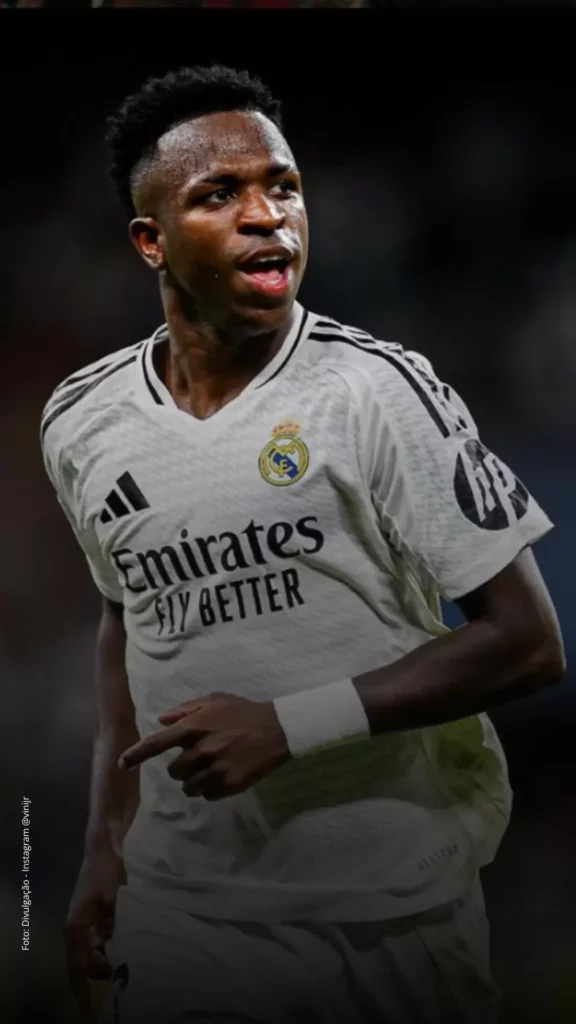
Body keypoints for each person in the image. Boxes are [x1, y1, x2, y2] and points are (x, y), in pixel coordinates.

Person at [40, 65, 564, 1024]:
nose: (267, 215)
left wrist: (291, 724)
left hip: (393, 908)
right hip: (184, 909)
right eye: (219, 194)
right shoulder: (81, 420)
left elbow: (528, 643)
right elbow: (130, 620)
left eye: (283, 186)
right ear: (151, 241)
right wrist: (104, 847)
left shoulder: (377, 392)